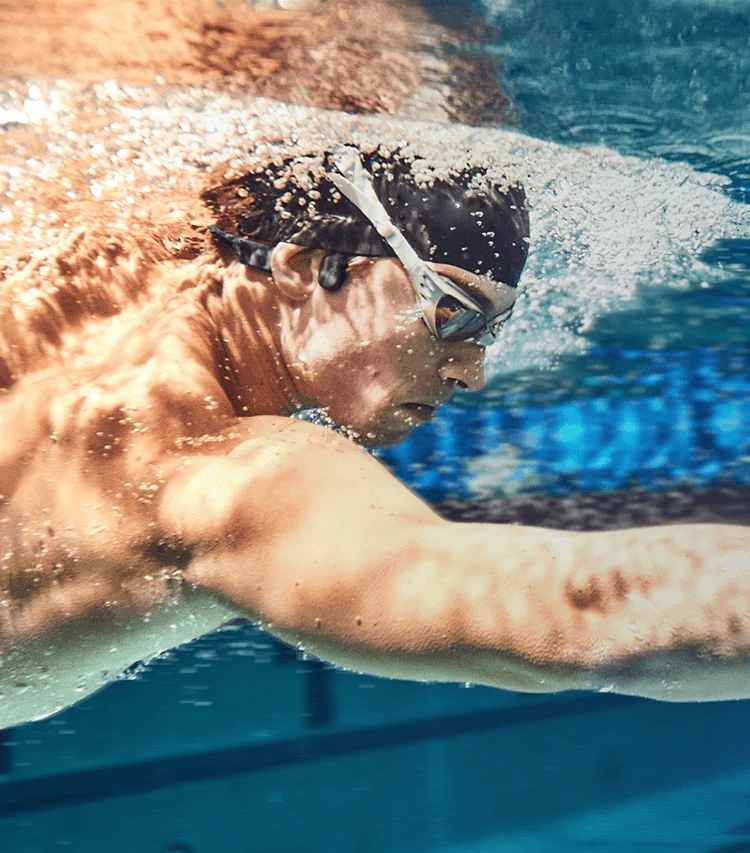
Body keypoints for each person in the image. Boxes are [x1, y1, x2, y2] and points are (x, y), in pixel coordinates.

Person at [0, 143, 747, 732]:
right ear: (300, 269)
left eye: (492, 332)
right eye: (454, 315)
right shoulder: (212, 476)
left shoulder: (57, 271)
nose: (473, 371)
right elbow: (578, 609)